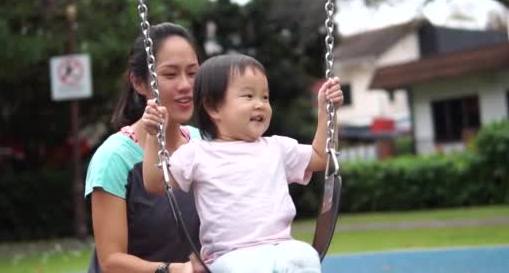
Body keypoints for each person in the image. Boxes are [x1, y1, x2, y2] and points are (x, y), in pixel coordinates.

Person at [142, 54, 344, 272]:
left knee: (306, 257)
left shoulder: (277, 148)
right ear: (213, 108)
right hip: (230, 255)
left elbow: (322, 158)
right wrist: (154, 136)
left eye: (265, 97)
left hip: (281, 246)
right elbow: (155, 183)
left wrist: (327, 111)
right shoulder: (197, 153)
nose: (260, 105)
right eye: (248, 96)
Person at [84, 22, 204, 273]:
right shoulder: (114, 158)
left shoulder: (203, 143)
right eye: (170, 75)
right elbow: (111, 262)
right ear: (139, 83)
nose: (185, 85)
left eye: (192, 73)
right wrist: (175, 270)